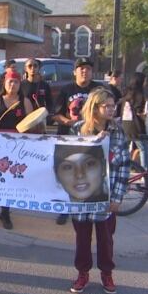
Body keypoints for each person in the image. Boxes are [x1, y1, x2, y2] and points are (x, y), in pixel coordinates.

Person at [68, 87, 129, 294]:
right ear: (95, 107)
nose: (112, 110)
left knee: (106, 237)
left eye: (114, 106)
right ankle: (82, 272)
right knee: (82, 237)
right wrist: (95, 143)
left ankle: (106, 272)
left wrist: (118, 196)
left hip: (107, 193)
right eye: (107, 106)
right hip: (82, 194)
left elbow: (124, 165)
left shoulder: (118, 131)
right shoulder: (77, 129)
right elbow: (68, 159)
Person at [0, 67, 34, 230]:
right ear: (5, 83)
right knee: (1, 178)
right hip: (0, 144)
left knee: (13, 178)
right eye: (10, 81)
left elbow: (33, 122)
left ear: (20, 84)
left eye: (16, 82)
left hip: (18, 144)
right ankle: (4, 210)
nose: (13, 85)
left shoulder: (25, 101)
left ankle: (6, 210)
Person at [53, 58, 103, 225]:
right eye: (81, 68)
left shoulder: (98, 89)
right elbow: (56, 114)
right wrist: (67, 121)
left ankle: (87, 206)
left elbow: (107, 110)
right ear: (74, 72)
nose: (84, 71)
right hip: (68, 137)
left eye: (88, 68)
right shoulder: (66, 89)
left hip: (90, 140)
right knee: (65, 174)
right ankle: (65, 209)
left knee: (86, 173)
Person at [121, 71, 148, 169]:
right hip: (136, 126)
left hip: (125, 124)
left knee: (124, 149)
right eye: (145, 81)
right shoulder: (139, 95)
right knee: (143, 148)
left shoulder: (126, 93)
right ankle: (145, 170)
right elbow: (139, 112)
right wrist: (144, 116)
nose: (146, 83)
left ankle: (123, 167)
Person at [20, 58, 52, 132]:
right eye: (30, 66)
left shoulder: (44, 85)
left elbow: (50, 102)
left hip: (40, 119)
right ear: (25, 69)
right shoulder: (21, 85)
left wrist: (46, 114)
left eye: (35, 66)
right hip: (25, 119)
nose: (33, 68)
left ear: (38, 68)